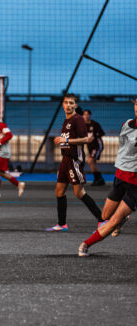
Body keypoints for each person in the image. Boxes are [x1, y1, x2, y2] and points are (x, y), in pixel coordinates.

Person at [78, 98, 137, 256]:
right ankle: (122, 219)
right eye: (136, 104)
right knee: (104, 216)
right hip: (120, 177)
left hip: (134, 184)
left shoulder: (97, 126)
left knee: (113, 222)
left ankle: (85, 245)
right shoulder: (127, 124)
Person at [46, 94, 104, 232]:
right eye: (66, 102)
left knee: (79, 193)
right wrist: (62, 140)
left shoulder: (78, 119)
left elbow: (86, 139)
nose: (68, 105)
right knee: (59, 191)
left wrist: (65, 141)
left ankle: (102, 220)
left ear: (75, 105)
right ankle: (62, 224)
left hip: (74, 159)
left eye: (71, 103)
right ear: (63, 104)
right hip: (65, 159)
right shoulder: (66, 121)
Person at [0, 108, 25, 198]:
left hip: (2, 152)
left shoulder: (1, 125)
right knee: (0, 172)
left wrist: (0, 143)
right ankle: (18, 185)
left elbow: (9, 135)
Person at [83, 109, 106, 186]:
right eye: (84, 114)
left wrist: (94, 136)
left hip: (97, 145)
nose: (86, 116)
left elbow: (102, 133)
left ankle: (98, 178)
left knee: (90, 160)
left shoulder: (95, 124)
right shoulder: (83, 126)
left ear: (90, 115)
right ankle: (99, 179)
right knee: (92, 163)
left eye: (87, 114)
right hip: (90, 146)